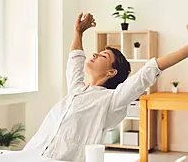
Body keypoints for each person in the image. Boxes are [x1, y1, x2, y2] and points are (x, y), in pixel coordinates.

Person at [23, 13, 188, 162]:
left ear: (111, 71)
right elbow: (75, 59)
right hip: (29, 155)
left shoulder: (111, 100)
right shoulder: (76, 90)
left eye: (103, 55)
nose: (94, 54)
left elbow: (149, 71)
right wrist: (78, 33)